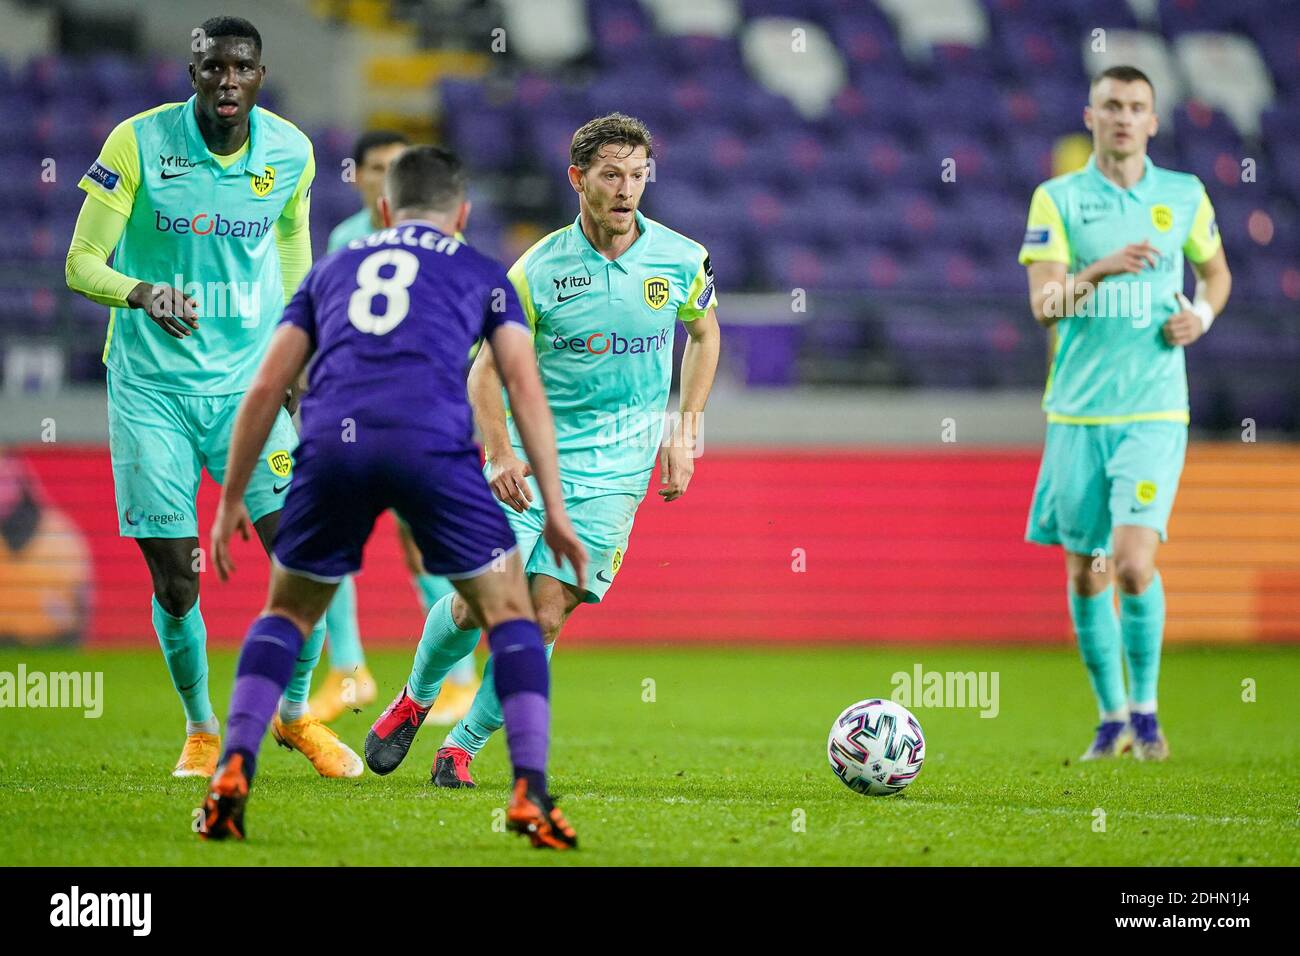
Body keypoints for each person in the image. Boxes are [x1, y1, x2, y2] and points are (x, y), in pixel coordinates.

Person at [200, 144, 586, 849]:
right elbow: (523, 387)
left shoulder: (330, 270)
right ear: (462, 214)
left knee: (285, 611)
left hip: (332, 446)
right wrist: (556, 509)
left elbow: (265, 386)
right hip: (429, 447)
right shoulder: (480, 271)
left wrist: (229, 500)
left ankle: (230, 771)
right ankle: (530, 792)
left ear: (383, 209)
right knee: (509, 615)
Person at [365, 113, 721, 788]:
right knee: (478, 602)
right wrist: (498, 452)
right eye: (611, 175)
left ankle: (460, 748)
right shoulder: (536, 270)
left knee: (548, 612)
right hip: (531, 459)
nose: (626, 190)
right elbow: (485, 372)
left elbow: (704, 334)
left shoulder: (680, 258)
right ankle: (415, 700)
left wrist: (687, 428)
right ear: (577, 178)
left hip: (617, 468)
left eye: (638, 176)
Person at [64, 15, 358, 778]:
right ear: (192, 73)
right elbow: (80, 262)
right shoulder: (137, 143)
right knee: (177, 577)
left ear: (260, 75)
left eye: (241, 68)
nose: (226, 80)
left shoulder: (291, 151)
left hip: (249, 390)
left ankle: (293, 715)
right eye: (212, 67)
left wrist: (298, 350)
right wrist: (141, 292)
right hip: (151, 391)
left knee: (310, 558)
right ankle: (201, 727)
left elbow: (293, 240)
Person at [1019, 66, 1231, 761]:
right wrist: (1100, 269)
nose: (1123, 117)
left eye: (1136, 107)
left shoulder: (1183, 195)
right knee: (1088, 572)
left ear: (1153, 121)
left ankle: (1146, 711)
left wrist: (1199, 315)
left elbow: (1217, 272)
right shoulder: (1057, 199)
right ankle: (1109, 715)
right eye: (1112, 105)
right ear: (1090, 116)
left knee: (1134, 565)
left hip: (1155, 409)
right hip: (1078, 413)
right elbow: (1044, 305)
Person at [309, 129, 482, 726]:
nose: (384, 176)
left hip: (427, 414)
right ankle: (349, 670)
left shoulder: (441, 238)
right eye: (375, 166)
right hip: (356, 411)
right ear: (357, 176)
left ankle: (459, 677)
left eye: (395, 167)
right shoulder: (341, 239)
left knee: (425, 546)